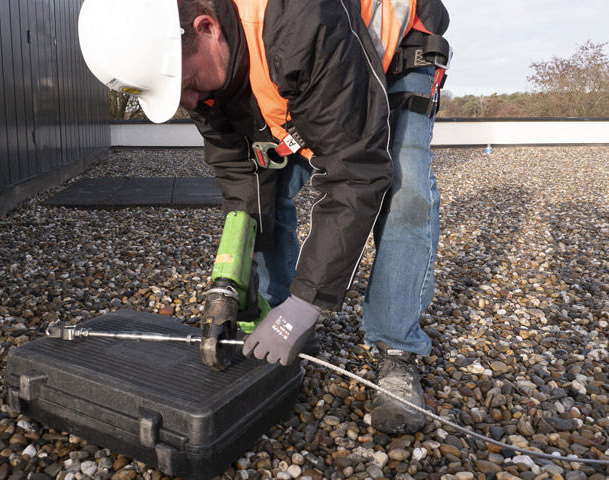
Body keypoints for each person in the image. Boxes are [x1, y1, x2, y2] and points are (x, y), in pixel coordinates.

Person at [79, 0, 449, 435]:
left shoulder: (300, 23)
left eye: (187, 83)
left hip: (396, 42)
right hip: (299, 61)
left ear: (206, 27)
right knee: (271, 179)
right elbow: (243, 179)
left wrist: (307, 303)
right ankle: (274, 308)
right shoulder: (190, 63)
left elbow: (355, 172)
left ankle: (397, 349)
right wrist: (233, 287)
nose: (189, 101)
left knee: (402, 191)